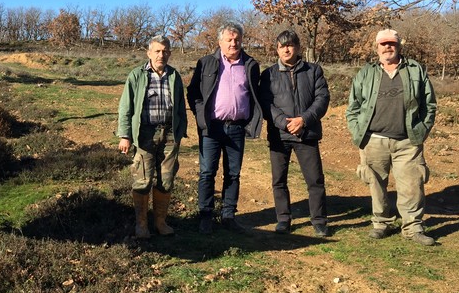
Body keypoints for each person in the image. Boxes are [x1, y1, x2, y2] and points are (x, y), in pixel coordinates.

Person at [346, 28, 437, 246]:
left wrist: (422, 130)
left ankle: (413, 227)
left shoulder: (415, 71)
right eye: (383, 44)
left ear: (399, 46)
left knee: (412, 185)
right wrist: (358, 131)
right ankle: (381, 223)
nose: (388, 47)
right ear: (377, 47)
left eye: (392, 44)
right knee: (376, 184)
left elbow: (429, 104)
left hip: (407, 141)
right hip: (374, 139)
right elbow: (353, 107)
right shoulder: (366, 73)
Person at [186, 21, 262, 233]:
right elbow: (193, 93)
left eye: (237, 39)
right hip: (211, 128)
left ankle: (228, 216)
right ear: (220, 42)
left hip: (237, 128)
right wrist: (201, 118)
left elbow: (255, 94)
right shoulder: (206, 63)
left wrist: (252, 120)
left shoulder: (250, 64)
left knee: (233, 174)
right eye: (229, 39)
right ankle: (206, 216)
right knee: (207, 172)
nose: (233, 43)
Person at [259, 30, 330, 236]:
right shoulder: (269, 74)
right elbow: (266, 103)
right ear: (277, 50)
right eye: (282, 46)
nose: (286, 49)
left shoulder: (313, 70)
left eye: (290, 45)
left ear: (298, 48)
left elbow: (322, 99)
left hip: (306, 134)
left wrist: (304, 120)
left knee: (315, 180)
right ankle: (283, 219)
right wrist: (283, 122)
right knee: (279, 180)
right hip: (280, 135)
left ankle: (318, 220)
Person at [117, 35, 187, 238]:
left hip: (170, 134)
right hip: (145, 134)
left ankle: (160, 223)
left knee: (166, 180)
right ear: (149, 53)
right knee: (143, 180)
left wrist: (180, 132)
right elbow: (125, 108)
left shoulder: (174, 76)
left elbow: (181, 107)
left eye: (165, 51)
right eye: (157, 51)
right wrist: (125, 135)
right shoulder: (137, 75)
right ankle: (141, 224)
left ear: (170, 53)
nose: (161, 55)